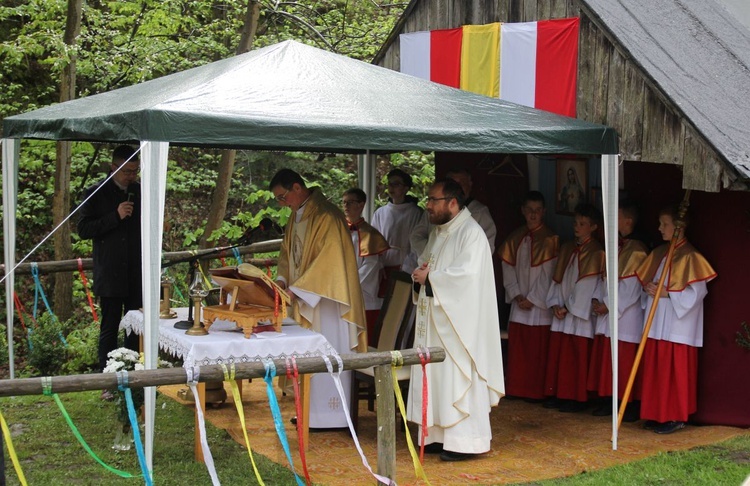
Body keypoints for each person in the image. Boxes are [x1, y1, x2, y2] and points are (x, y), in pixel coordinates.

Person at [407, 178, 504, 462]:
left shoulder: (471, 234)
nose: (427, 206)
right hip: (437, 323)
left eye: (433, 200)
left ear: (452, 202)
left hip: (459, 330)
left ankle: (464, 441)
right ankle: (437, 435)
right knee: (437, 377)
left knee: (456, 377)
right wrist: (422, 274)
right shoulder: (439, 232)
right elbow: (430, 264)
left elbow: (468, 280)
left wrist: (432, 279)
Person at [270, 169, 367, 428]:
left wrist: (298, 289)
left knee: (327, 351)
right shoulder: (297, 215)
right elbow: (288, 253)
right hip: (306, 299)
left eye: (282, 197)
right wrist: (281, 279)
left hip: (328, 303)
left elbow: (330, 264)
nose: (282, 203)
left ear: (296, 188)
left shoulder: (328, 216)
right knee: (306, 355)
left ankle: (332, 416)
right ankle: (309, 412)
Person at [635, 205, 716, 434]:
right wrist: (650, 290)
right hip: (657, 321)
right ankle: (656, 413)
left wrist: (667, 294)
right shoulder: (660, 252)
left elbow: (696, 293)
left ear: (678, 227)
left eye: (665, 224)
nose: (660, 228)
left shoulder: (692, 257)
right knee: (656, 369)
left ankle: (674, 416)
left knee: (673, 371)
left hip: (676, 325)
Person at [77, 145, 142, 400]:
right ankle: (108, 380)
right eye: (126, 171)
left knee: (135, 327)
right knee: (110, 325)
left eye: (135, 171)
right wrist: (115, 216)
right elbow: (83, 229)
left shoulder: (140, 190)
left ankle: (133, 376)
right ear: (113, 168)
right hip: (111, 270)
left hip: (135, 271)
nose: (131, 176)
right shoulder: (95, 193)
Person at [588, 200, 649, 419]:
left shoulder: (637, 250)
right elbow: (603, 278)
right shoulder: (615, 246)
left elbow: (631, 288)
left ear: (628, 221)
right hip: (608, 311)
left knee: (622, 361)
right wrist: (597, 299)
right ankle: (608, 400)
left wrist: (609, 305)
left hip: (625, 316)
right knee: (608, 359)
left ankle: (626, 403)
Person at [544, 203, 605, 412]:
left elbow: (587, 285)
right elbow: (558, 277)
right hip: (563, 310)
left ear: (594, 227)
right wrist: (554, 303)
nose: (577, 227)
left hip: (577, 314)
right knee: (562, 356)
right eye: (575, 223)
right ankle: (560, 394)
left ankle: (576, 397)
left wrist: (568, 308)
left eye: (582, 224)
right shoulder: (568, 247)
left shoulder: (596, 252)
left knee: (575, 357)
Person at [498, 191, 559, 401]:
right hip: (519, 302)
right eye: (530, 210)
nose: (533, 215)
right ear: (523, 211)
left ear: (543, 212)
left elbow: (548, 274)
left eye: (537, 210)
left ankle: (535, 391)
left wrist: (532, 298)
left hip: (538, 305)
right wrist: (516, 294)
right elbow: (507, 268)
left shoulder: (550, 239)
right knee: (519, 349)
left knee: (537, 350)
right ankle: (516, 388)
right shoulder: (515, 237)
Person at [342, 188, 390, 347]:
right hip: (341, 291)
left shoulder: (371, 234)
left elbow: (371, 265)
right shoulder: (338, 232)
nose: (346, 206)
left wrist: (350, 286)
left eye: (351, 202)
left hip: (362, 293)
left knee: (364, 338)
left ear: (361, 205)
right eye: (344, 202)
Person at [412, 168, 497, 255]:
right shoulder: (433, 212)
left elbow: (486, 250)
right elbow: (416, 237)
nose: (457, 188)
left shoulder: (478, 214)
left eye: (461, 183)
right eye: (452, 184)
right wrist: (434, 254)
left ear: (470, 185)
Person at [371, 168, 423, 291]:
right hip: (383, 266)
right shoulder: (380, 213)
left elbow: (418, 243)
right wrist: (378, 265)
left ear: (406, 188)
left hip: (406, 267)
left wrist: (407, 266)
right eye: (389, 184)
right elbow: (373, 243)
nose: (391, 187)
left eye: (396, 184)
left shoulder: (416, 213)